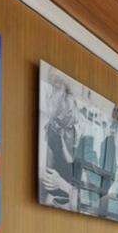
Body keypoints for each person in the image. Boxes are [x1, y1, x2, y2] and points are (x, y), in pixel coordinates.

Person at [40, 78, 79, 209]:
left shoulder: (74, 132)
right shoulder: (54, 131)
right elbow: (49, 172)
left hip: (68, 198)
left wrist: (63, 185)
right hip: (57, 198)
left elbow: (86, 200)